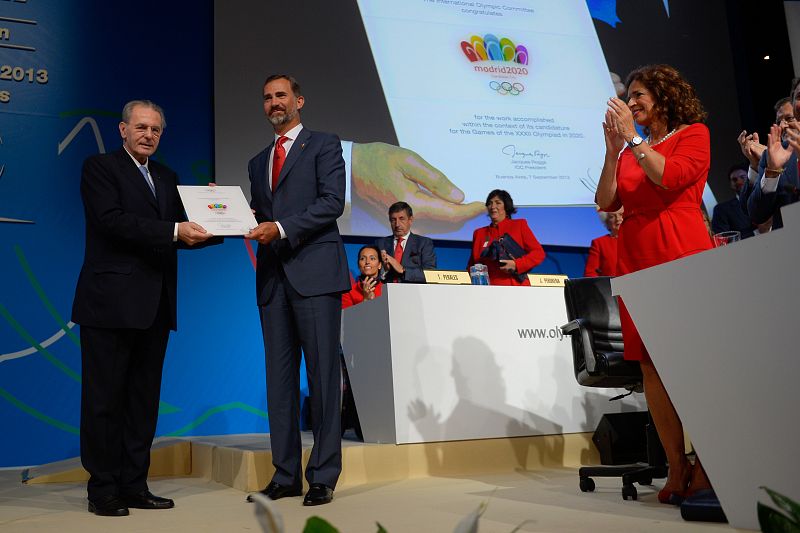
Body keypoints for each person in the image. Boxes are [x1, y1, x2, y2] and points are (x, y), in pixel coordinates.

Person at [71, 100, 214, 516]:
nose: (148, 134)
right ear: (123, 129)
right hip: (109, 306)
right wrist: (174, 229)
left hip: (154, 306)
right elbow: (111, 221)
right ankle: (103, 489)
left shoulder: (167, 178)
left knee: (141, 403)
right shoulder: (99, 168)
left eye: (155, 129)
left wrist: (222, 219)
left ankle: (135, 485)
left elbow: (180, 235)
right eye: (141, 127)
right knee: (104, 401)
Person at [596, 64, 714, 504]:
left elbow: (671, 177)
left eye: (639, 94)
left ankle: (709, 461)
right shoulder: (628, 149)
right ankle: (676, 464)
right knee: (651, 366)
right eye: (628, 97)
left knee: (694, 363)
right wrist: (612, 151)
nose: (631, 103)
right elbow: (606, 200)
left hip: (682, 252)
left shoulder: (694, 134)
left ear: (664, 95)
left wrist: (632, 140)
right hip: (636, 260)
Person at [244, 75, 350, 507]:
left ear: (299, 100)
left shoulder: (324, 144)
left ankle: (322, 475)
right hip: (273, 281)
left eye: (281, 95)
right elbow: (259, 214)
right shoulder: (257, 161)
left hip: (316, 275)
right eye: (267, 97)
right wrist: (223, 211)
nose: (274, 103)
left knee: (323, 378)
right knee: (280, 383)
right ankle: (285, 474)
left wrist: (281, 228)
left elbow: (332, 202)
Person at [340, 245, 384, 440]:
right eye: (363, 258)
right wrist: (366, 300)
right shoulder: (348, 292)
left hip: (384, 350)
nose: (367, 262)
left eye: (372, 258)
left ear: (380, 264)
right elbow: (348, 324)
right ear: (358, 264)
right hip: (358, 354)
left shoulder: (389, 289)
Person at [749, 78, 800, 229]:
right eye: (799, 96)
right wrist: (772, 173)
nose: (783, 125)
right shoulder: (774, 153)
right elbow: (757, 214)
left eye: (787, 118)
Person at [467, 189, 545, 286]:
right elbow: (471, 265)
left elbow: (538, 253)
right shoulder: (479, 233)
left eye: (498, 203)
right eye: (490, 203)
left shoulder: (519, 225)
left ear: (506, 206)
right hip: (488, 290)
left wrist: (516, 264)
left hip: (515, 287)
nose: (493, 206)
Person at [374, 202, 436, 283]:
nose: (397, 224)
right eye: (393, 220)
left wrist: (403, 270)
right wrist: (384, 271)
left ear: (410, 220)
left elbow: (430, 274)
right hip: (386, 292)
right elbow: (373, 274)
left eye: (401, 219)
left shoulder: (424, 243)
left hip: (413, 292)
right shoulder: (380, 244)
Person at [710, 163, 754, 239]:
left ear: (750, 179)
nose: (739, 181)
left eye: (742, 177)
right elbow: (723, 239)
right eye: (734, 179)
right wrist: (756, 232)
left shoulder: (766, 199)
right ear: (731, 184)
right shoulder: (721, 210)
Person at [584, 209, 622, 277]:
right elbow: (590, 274)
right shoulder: (599, 243)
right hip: (609, 286)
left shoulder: (636, 240)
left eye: (621, 215)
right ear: (606, 222)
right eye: (612, 216)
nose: (618, 219)